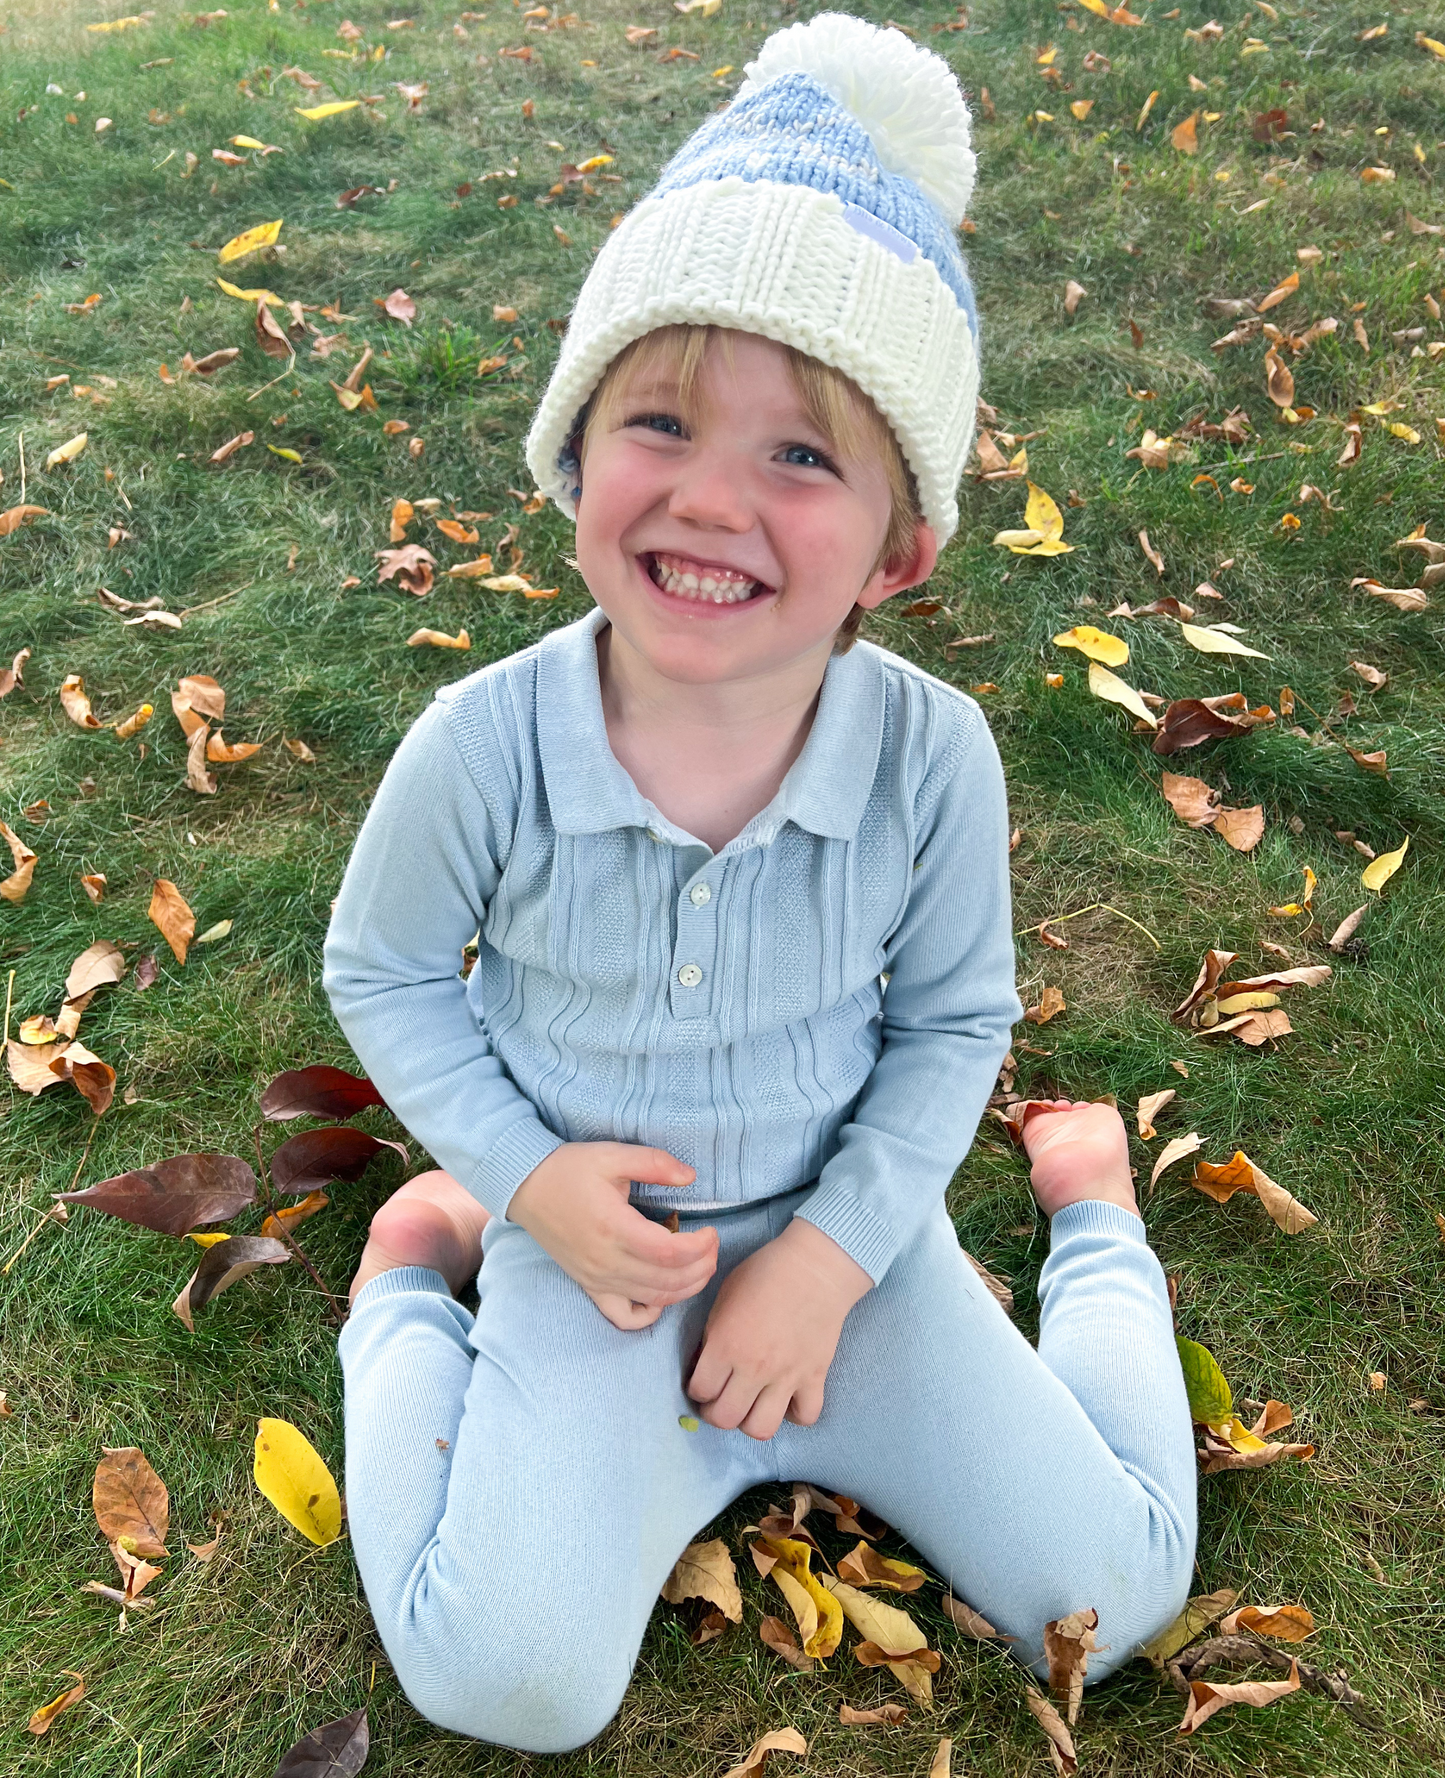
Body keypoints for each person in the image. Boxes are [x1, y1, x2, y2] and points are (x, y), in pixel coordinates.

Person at [322, 13, 1196, 1752]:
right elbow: (388, 972)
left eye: (803, 454)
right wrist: (521, 1182)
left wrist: (835, 1252)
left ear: (902, 546)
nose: (714, 496)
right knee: (509, 1683)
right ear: (575, 460)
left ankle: (1094, 1220)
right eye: (657, 419)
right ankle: (405, 1291)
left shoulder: (933, 755)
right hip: (591, 1263)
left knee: (1118, 1590)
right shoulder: (482, 744)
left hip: (850, 1257)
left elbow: (956, 1019)